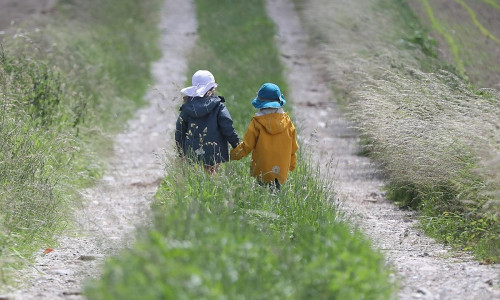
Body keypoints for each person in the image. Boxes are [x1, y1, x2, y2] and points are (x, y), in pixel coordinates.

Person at [230, 83, 299, 190]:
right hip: (281, 170)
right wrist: (292, 165)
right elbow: (293, 148)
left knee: (262, 196)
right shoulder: (288, 123)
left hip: (261, 170)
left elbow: (247, 146)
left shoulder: (257, 123)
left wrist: (232, 155)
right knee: (276, 195)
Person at [175, 70, 240, 173]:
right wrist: (236, 144)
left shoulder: (187, 108)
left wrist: (181, 153)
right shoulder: (218, 106)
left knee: (197, 178)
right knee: (213, 177)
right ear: (212, 88)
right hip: (215, 152)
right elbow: (227, 127)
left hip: (193, 153)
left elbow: (180, 131)